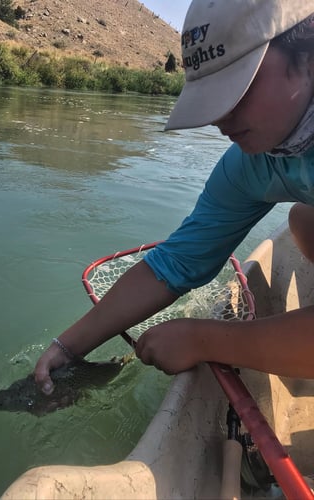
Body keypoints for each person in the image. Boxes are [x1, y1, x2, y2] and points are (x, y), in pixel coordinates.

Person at [35, 0, 314, 395]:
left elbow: (202, 333)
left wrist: (206, 340)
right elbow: (177, 263)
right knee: (304, 221)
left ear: (307, 57)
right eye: (211, 96)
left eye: (238, 86)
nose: (219, 118)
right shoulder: (253, 164)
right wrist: (68, 346)